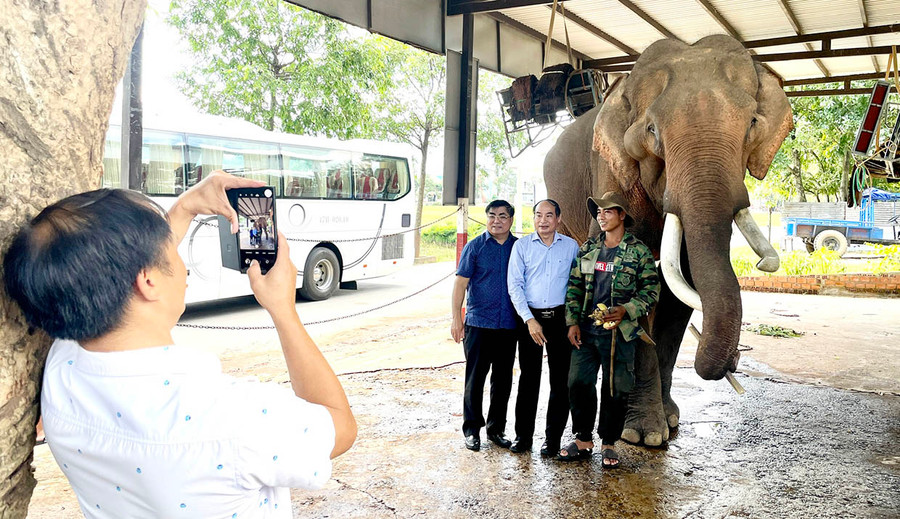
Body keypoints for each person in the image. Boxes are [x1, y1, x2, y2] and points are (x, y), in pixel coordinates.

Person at [2, 171, 357, 517]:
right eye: (169, 250)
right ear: (148, 280)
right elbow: (341, 427)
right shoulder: (234, 419)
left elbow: (116, 271)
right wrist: (284, 310)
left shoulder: (62, 366)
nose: (180, 260)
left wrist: (186, 207)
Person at [560, 191, 659, 467]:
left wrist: (627, 309)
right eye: (599, 213)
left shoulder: (638, 252)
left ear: (622, 215)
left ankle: (608, 443)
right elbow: (575, 288)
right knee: (578, 382)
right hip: (587, 331)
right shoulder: (589, 249)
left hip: (620, 334)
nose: (601, 217)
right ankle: (582, 439)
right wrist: (571, 322)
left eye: (608, 212)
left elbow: (651, 291)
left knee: (616, 389)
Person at [506, 199, 579, 456]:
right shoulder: (522, 247)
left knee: (561, 382)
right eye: (538, 215)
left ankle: (553, 440)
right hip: (530, 320)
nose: (543, 220)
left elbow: (576, 287)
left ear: (558, 219)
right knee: (529, 379)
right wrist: (529, 319)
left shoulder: (571, 247)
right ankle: (523, 437)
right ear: (534, 218)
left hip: (560, 319)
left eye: (549, 215)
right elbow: (514, 285)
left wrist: (572, 321)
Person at [451, 200, 519, 451]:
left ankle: (496, 429)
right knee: (475, 378)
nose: (496, 221)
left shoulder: (518, 248)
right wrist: (456, 318)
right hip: (479, 324)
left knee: (502, 380)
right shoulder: (475, 247)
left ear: (511, 220)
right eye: (491, 216)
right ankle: (471, 430)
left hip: (509, 325)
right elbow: (460, 284)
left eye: (502, 216)